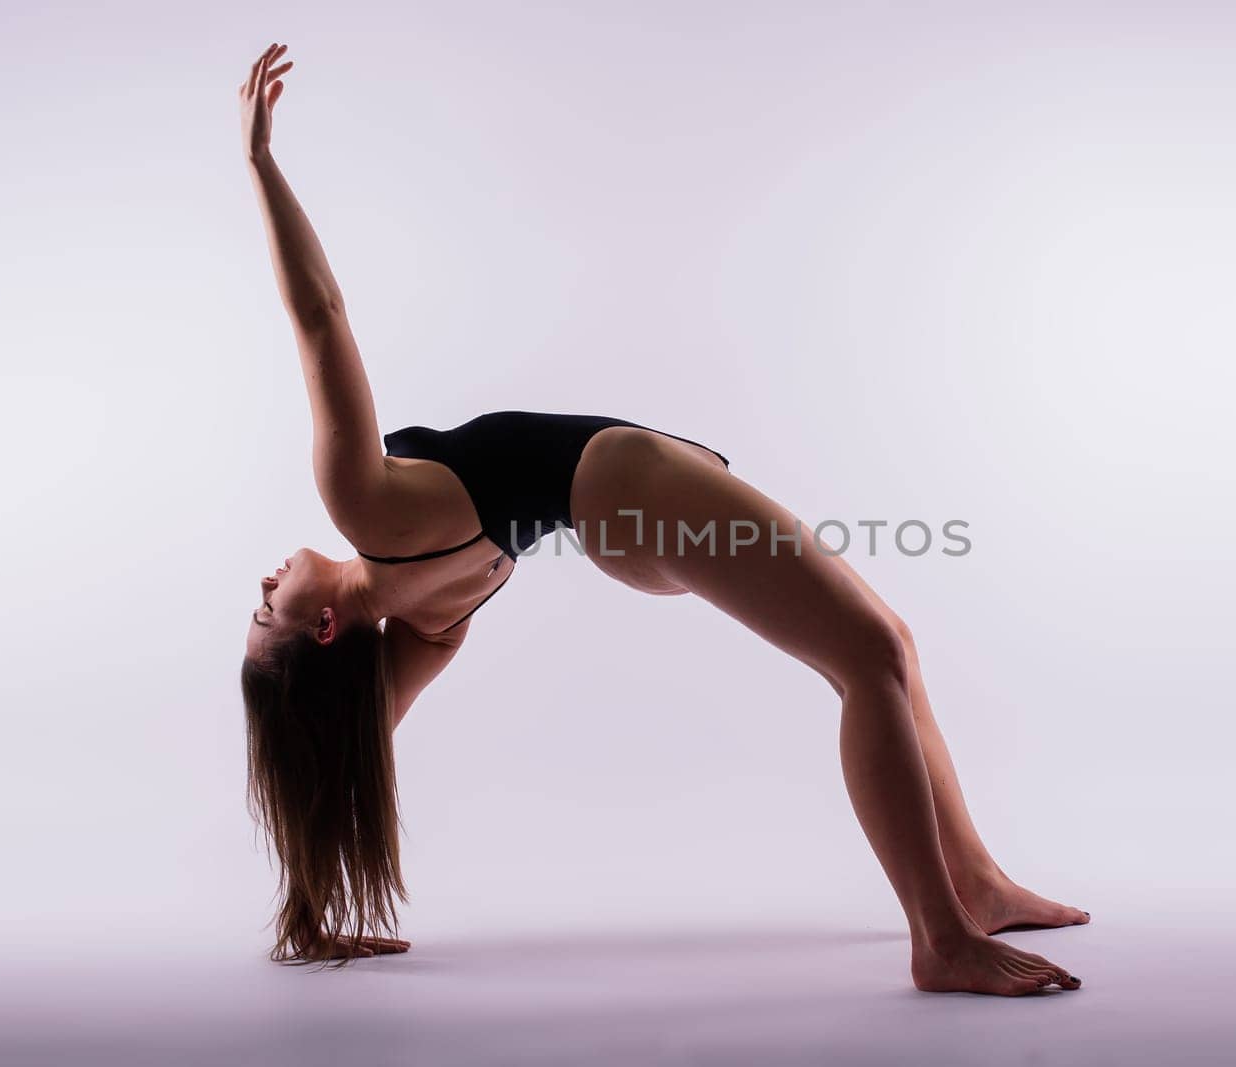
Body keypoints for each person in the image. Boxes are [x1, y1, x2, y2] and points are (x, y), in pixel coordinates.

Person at [237, 43, 1087, 995]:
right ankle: (941, 936)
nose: (264, 583)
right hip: (630, 494)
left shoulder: (428, 625)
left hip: (626, 522)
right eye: (267, 608)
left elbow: (343, 752)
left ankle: (971, 881)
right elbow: (321, 316)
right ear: (322, 625)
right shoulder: (365, 511)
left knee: (884, 647)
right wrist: (264, 165)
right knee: (870, 655)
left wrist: (310, 908)